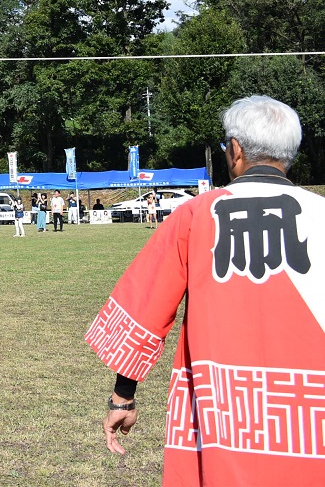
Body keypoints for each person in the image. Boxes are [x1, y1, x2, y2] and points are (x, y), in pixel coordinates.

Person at [87, 95, 325, 485]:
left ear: (235, 150)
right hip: (308, 414)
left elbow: (145, 309)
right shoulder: (321, 213)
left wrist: (122, 397)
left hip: (222, 408)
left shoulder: (195, 215)